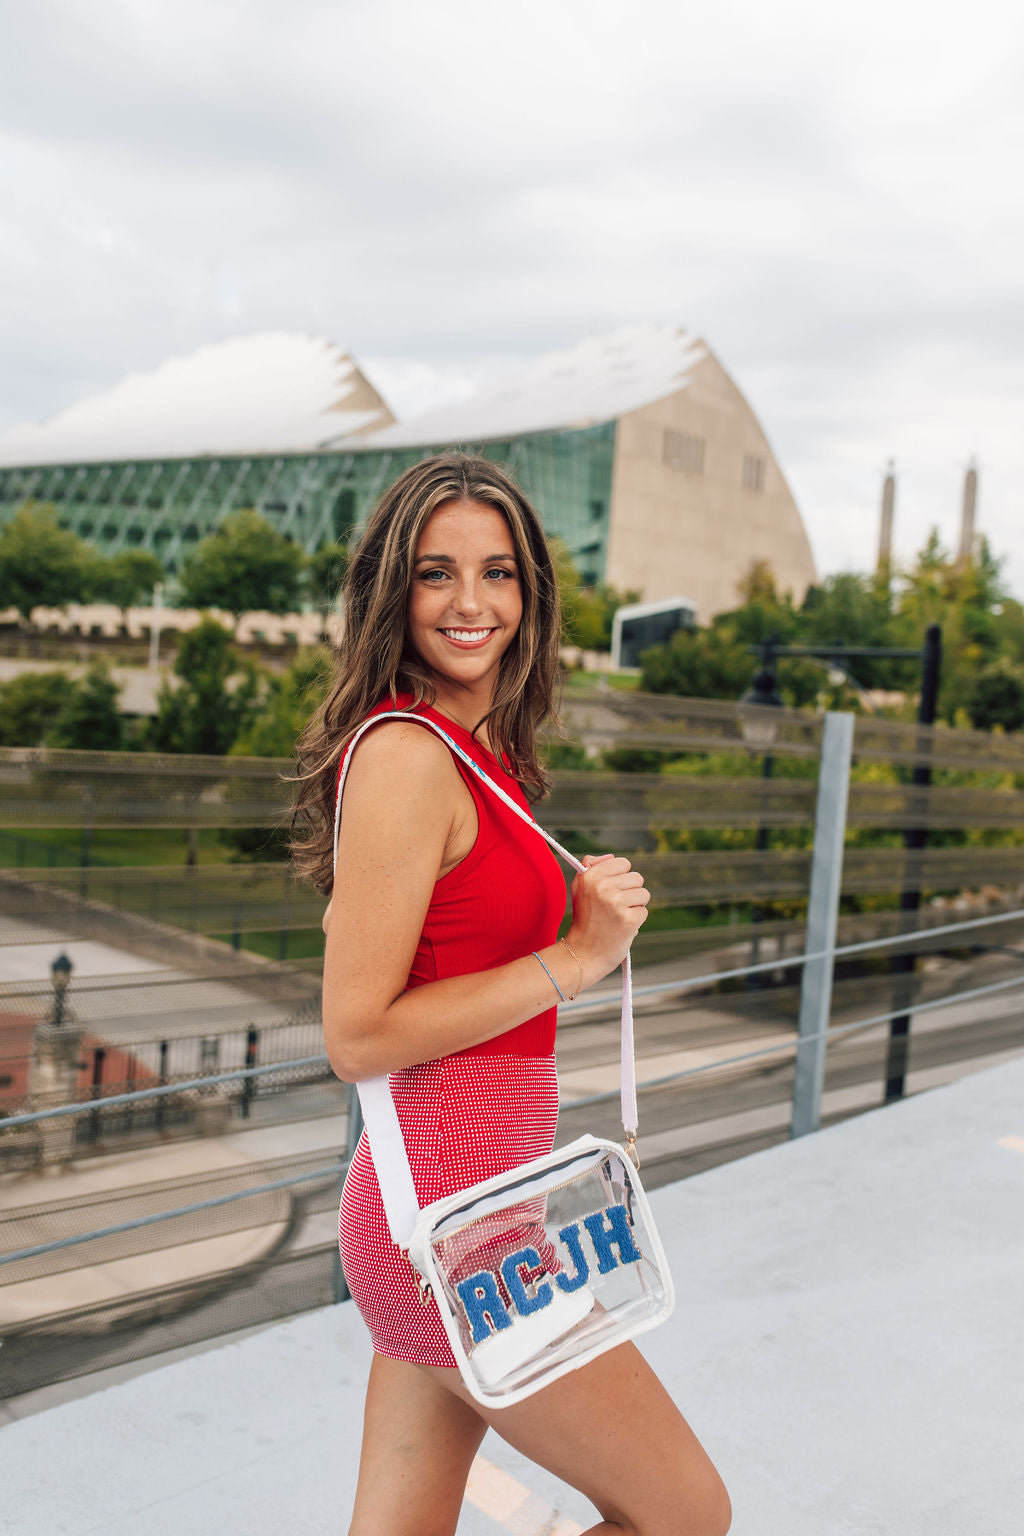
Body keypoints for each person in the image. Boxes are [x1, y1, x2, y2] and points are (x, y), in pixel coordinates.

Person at [293, 454, 731, 1536]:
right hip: (450, 1228)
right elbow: (354, 1034)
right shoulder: (405, 756)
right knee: (683, 1513)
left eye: (497, 573)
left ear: (530, 592)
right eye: (436, 573)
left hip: (466, 1209)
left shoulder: (477, 758)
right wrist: (571, 961)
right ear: (392, 593)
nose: (470, 602)